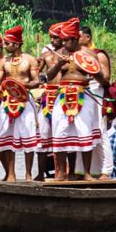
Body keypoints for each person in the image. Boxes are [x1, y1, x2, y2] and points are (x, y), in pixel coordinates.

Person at [41, 18, 106, 181]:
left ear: (75, 39)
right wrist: (57, 65)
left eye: (66, 40)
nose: (63, 43)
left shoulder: (89, 54)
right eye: (61, 40)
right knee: (60, 132)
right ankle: (61, 172)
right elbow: (48, 76)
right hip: (62, 95)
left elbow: (102, 78)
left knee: (85, 132)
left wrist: (98, 75)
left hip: (83, 94)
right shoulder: (60, 54)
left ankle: (87, 173)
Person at [0, 25, 41, 182]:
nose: (5, 47)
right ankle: (5, 174)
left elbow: (36, 81)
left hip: (25, 100)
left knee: (28, 136)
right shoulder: (4, 61)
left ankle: (28, 174)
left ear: (17, 44)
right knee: (0, 134)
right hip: (7, 101)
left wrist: (22, 86)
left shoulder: (30, 60)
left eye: (8, 43)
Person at [80, 25, 112, 178]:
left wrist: (94, 70)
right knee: (84, 131)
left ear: (87, 38)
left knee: (100, 130)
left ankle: (106, 170)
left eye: (79, 37)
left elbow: (105, 80)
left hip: (97, 94)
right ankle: (83, 171)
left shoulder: (99, 55)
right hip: (82, 95)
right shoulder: (76, 55)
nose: (76, 40)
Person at [35, 22, 65, 180]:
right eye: (51, 38)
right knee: (42, 136)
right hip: (48, 97)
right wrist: (37, 66)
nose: (53, 40)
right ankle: (40, 174)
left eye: (56, 37)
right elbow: (36, 74)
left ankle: (63, 172)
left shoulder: (68, 54)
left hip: (64, 97)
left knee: (62, 136)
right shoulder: (46, 55)